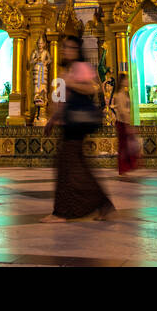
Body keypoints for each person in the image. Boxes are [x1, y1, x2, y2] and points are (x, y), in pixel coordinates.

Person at [42, 35, 115, 222]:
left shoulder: (80, 67)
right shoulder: (65, 70)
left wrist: (71, 82)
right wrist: (53, 119)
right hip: (69, 122)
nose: (67, 51)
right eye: (65, 47)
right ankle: (102, 204)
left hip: (77, 123)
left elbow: (94, 89)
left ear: (78, 51)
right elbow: (62, 100)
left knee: (67, 167)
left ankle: (62, 212)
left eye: (71, 48)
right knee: (77, 166)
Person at [113, 74, 140, 176]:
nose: (128, 81)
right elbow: (123, 111)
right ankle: (123, 168)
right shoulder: (120, 95)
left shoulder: (125, 93)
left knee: (126, 145)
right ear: (122, 81)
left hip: (126, 121)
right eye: (126, 80)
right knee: (124, 146)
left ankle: (127, 167)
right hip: (122, 122)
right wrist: (128, 125)